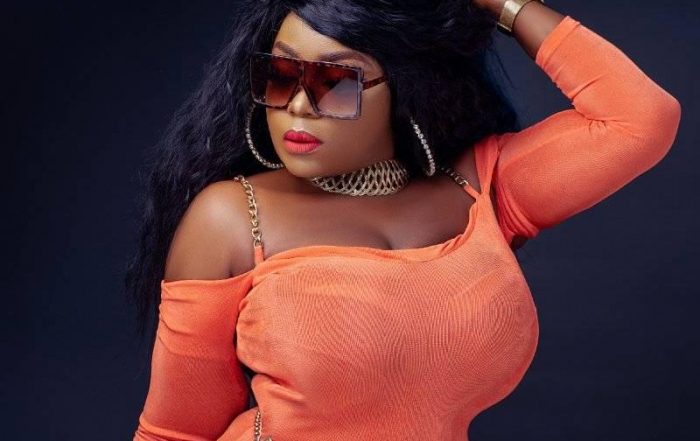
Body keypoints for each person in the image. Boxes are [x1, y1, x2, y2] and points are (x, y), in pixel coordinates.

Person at [126, 0, 681, 440]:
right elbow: (175, 432)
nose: (297, 105)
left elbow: (639, 119)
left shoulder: (481, 187)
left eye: (334, 81)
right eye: (281, 74)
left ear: (406, 87)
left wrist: (502, 4)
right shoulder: (231, 217)